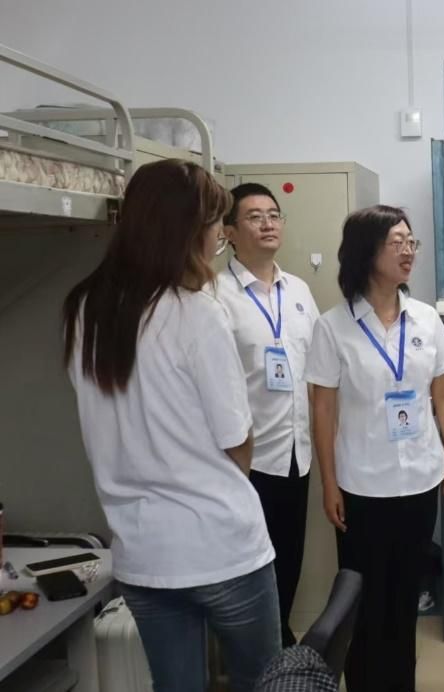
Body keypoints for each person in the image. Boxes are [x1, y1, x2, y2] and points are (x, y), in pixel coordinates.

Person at [62, 159, 279, 692]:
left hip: (142, 552)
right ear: (186, 231)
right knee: (264, 682)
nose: (217, 240)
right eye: (214, 227)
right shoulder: (195, 313)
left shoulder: (84, 311)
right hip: (222, 545)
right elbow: (236, 440)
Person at [305, 205, 444, 692]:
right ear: (366, 251)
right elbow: (323, 410)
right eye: (396, 242)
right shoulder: (333, 326)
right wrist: (329, 484)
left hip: (419, 478)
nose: (407, 251)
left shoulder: (425, 319)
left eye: (411, 242)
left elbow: (443, 394)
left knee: (404, 598)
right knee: (364, 602)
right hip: (362, 485)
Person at [215, 183, 320, 647]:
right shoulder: (215, 296)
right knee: (251, 567)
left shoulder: (298, 290)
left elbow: (317, 366)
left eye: (274, 215)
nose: (268, 223)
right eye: (255, 216)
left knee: (289, 559)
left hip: (297, 454)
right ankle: (264, 652)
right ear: (229, 232)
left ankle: (279, 646)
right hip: (247, 461)